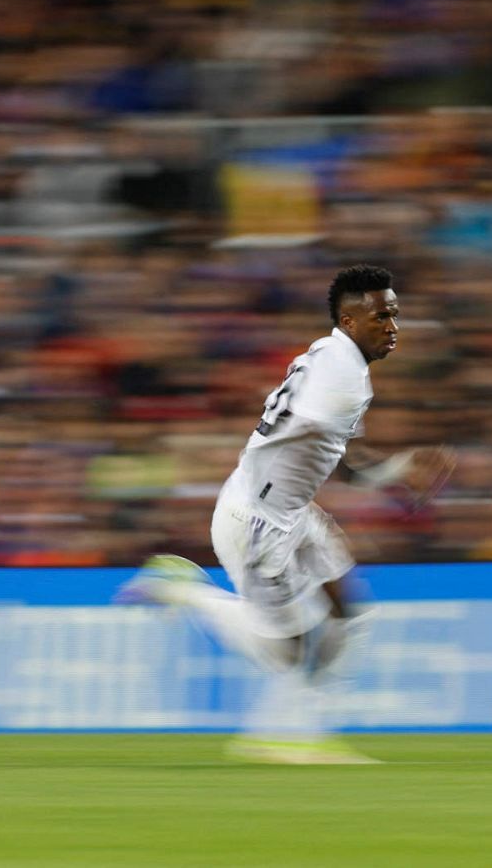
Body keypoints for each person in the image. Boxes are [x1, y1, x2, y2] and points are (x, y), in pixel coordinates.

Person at [118, 263, 455, 764]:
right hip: (258, 522)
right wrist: (395, 469)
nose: (392, 327)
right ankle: (182, 590)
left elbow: (333, 453)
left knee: (349, 612)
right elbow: (321, 438)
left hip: (289, 508)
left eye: (396, 316)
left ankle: (303, 734)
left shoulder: (328, 353)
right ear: (348, 320)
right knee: (288, 654)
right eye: (381, 317)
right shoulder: (342, 373)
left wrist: (396, 468)